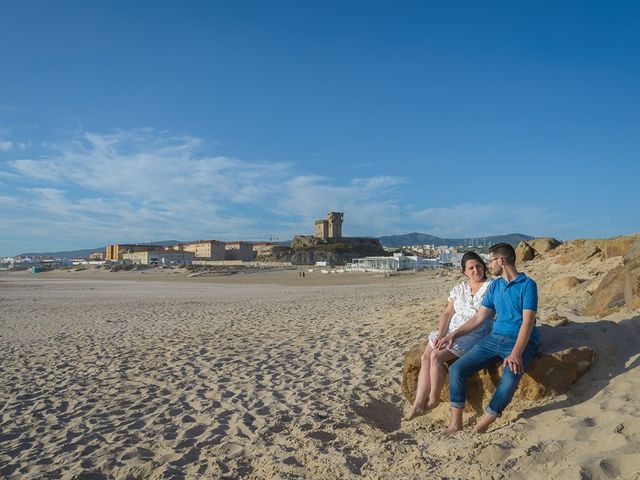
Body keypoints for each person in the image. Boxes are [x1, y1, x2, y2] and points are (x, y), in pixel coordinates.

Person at [437, 243, 539, 434]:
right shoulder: (496, 286)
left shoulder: (528, 285)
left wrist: (516, 353)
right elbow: (479, 317)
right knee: (457, 368)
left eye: (491, 261)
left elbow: (528, 322)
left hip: (520, 340)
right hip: (495, 338)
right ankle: (455, 423)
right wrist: (453, 335)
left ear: (500, 261)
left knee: (510, 376)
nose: (488, 266)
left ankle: (486, 420)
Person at [405, 251, 493, 420]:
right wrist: (441, 333)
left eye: (478, 266)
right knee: (425, 357)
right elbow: (447, 313)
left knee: (437, 356)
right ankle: (417, 403)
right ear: (464, 271)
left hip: (474, 332)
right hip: (451, 329)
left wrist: (451, 336)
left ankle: (433, 400)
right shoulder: (459, 289)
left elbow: (478, 318)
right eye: (471, 268)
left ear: (483, 266)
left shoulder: (491, 287)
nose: (476, 270)